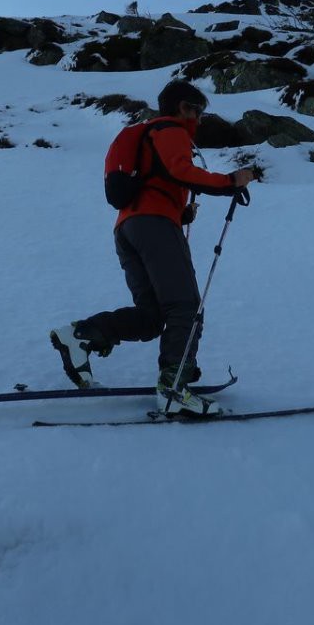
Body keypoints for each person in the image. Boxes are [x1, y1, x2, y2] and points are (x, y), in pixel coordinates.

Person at [50, 80, 256, 416]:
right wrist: (230, 181)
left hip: (129, 229)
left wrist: (180, 212)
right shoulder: (171, 129)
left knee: (153, 317)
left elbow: (159, 180)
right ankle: (174, 388)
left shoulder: (150, 134)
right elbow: (182, 171)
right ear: (182, 107)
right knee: (185, 305)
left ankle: (81, 335)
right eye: (197, 110)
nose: (199, 119)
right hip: (154, 227)